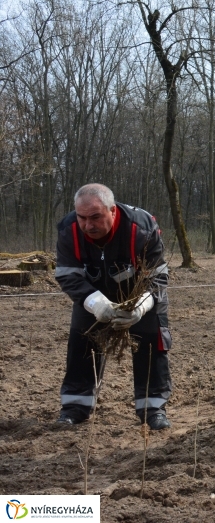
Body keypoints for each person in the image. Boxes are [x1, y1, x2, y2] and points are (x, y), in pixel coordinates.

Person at [54, 183, 172, 429]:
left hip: (139, 293)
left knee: (152, 340)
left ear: (113, 211)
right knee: (81, 339)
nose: (88, 225)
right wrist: (95, 302)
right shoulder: (68, 230)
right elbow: (67, 275)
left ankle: (153, 409)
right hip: (92, 291)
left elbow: (158, 277)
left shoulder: (142, 228)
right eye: (82, 217)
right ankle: (75, 407)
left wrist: (140, 306)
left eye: (95, 217)